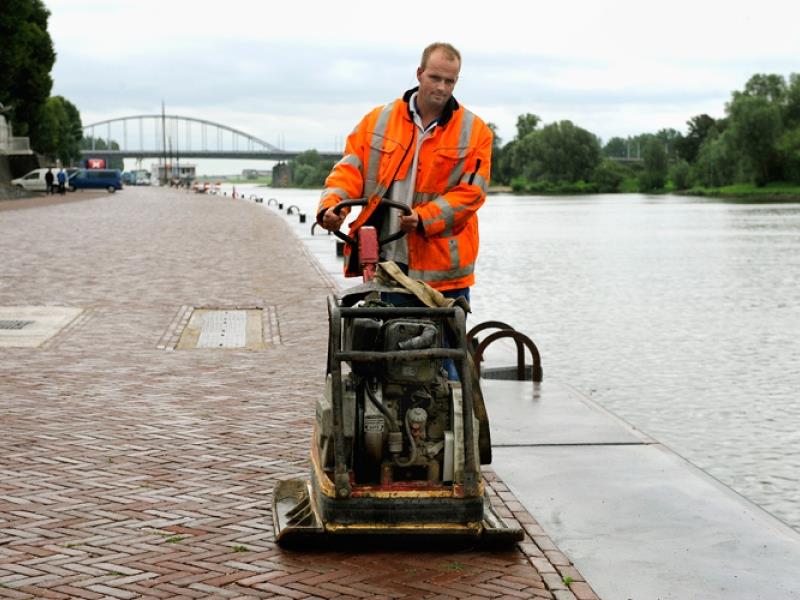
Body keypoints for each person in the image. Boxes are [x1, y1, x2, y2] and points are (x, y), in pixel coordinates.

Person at [317, 42, 492, 306]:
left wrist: (424, 218)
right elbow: (350, 170)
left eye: (450, 81)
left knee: (444, 345)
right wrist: (333, 207)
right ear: (420, 73)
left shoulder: (476, 131)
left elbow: (471, 194)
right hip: (389, 264)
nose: (441, 87)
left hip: (444, 274)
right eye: (435, 78)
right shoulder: (377, 121)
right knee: (388, 339)